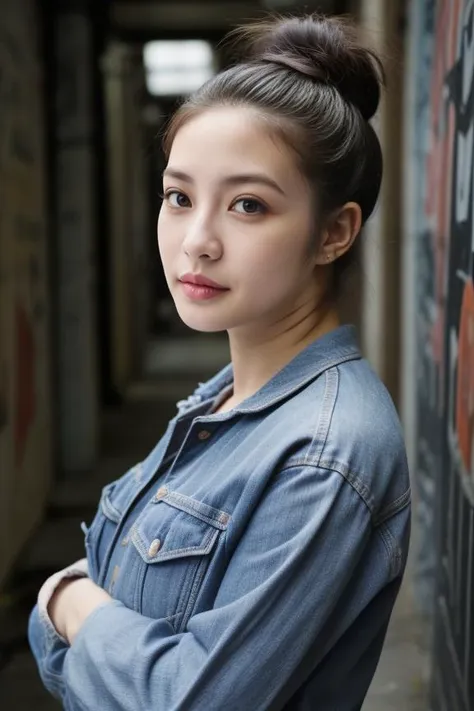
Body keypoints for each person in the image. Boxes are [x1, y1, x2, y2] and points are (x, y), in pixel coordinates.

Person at [28, 13, 411, 710]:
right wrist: (80, 620)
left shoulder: (324, 455)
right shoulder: (222, 401)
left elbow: (188, 699)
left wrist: (67, 601)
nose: (196, 241)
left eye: (247, 205)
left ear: (334, 231)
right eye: (179, 196)